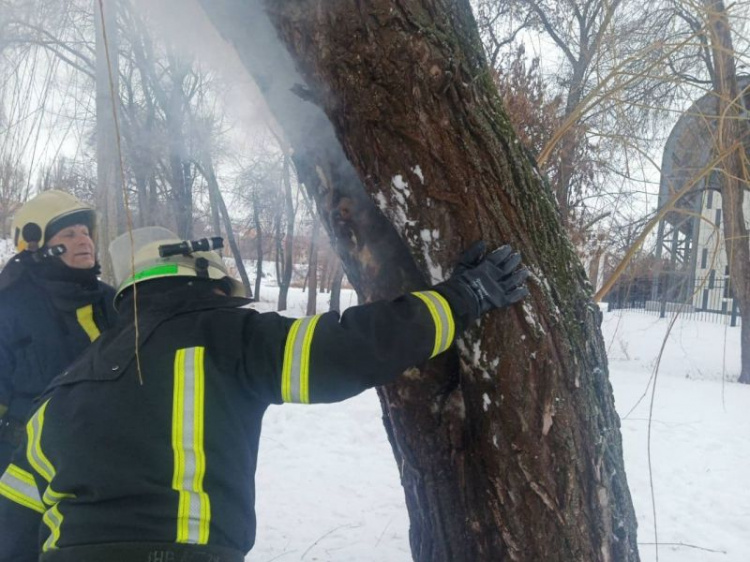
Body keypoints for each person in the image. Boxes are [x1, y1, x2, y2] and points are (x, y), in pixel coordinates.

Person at [0, 226, 529, 562]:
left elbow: (14, 525)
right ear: (200, 277)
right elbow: (347, 349)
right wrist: (463, 297)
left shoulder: (62, 388)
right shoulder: (223, 334)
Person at [0, 190, 117, 474]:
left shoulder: (113, 301)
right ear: (36, 244)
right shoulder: (11, 306)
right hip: (24, 465)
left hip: (104, 456)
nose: (84, 240)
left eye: (85, 232)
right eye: (68, 234)